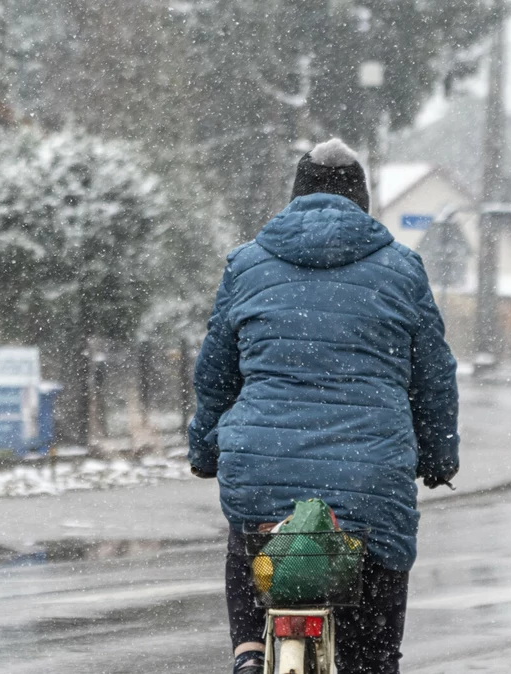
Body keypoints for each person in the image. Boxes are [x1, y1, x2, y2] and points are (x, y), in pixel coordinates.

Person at [188, 138, 459, 674]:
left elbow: (215, 374)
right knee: (372, 652)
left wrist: (205, 448)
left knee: (251, 537)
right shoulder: (402, 269)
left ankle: (248, 652)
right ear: (362, 202)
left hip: (263, 465)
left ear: (294, 198)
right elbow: (435, 380)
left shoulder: (247, 265)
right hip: (371, 478)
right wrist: (438, 457)